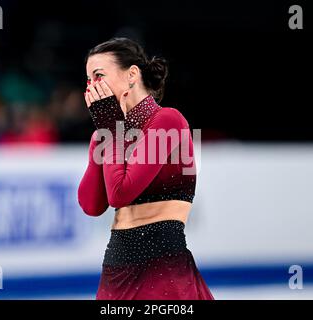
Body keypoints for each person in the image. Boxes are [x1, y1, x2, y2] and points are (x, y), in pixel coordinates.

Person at [78, 37, 214, 300]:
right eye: (88, 80)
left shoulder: (168, 120)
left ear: (131, 75)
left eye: (99, 76)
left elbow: (120, 194)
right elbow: (91, 206)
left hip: (162, 267)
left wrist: (110, 129)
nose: (92, 87)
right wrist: (106, 133)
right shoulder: (107, 134)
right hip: (116, 266)